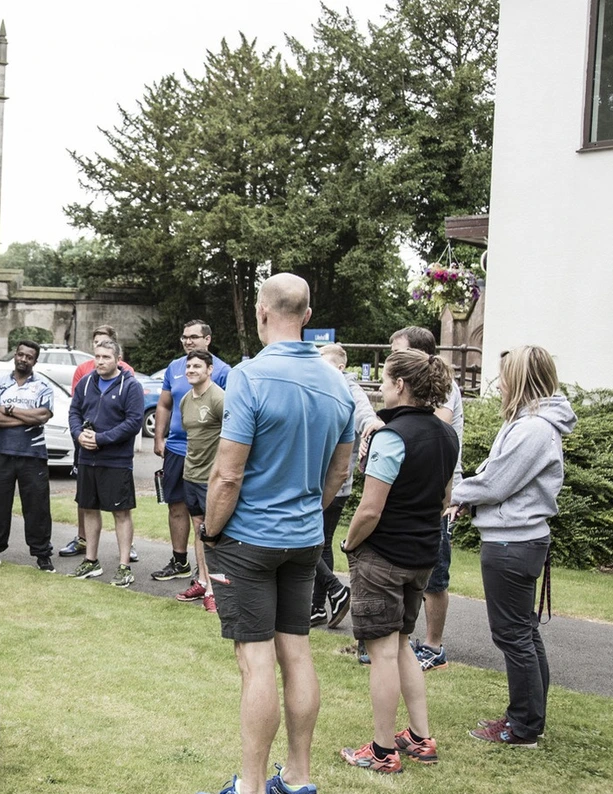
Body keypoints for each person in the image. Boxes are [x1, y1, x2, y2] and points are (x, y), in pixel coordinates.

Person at [198, 274, 354, 794]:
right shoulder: (338, 383)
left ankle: (252, 786)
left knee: (256, 660)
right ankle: (300, 778)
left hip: (249, 538)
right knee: (297, 651)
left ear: (263, 311)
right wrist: (309, 510)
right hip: (306, 537)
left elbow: (227, 473)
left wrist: (209, 531)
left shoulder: (248, 376)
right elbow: (338, 472)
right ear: (307, 316)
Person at [336, 349, 460, 774]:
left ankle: (383, 750)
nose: (382, 389)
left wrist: (349, 543)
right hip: (423, 553)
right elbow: (446, 499)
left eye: (385, 381)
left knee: (383, 651)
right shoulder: (447, 434)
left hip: (384, 555)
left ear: (400, 386)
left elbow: (370, 509)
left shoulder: (391, 436)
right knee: (403, 642)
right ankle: (421, 738)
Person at [453, 345, 574, 748]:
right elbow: (496, 477)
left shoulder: (533, 429)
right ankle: (527, 719)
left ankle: (523, 727)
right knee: (523, 634)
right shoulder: (529, 425)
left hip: (512, 543)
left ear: (520, 379)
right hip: (517, 540)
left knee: (514, 636)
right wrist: (468, 498)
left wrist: (452, 494)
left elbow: (496, 482)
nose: (499, 383)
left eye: (504, 376)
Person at [152, 320, 231, 583]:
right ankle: (179, 561)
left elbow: (230, 417)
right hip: (176, 448)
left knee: (210, 512)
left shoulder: (221, 370)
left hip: (208, 454)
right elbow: (164, 405)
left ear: (207, 339)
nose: (188, 342)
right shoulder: (175, 367)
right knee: (176, 505)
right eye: (184, 337)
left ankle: (208, 569)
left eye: (194, 337)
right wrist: (159, 437)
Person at [0, 340, 57, 572]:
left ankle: (42, 555)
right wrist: (24, 418)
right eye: (20, 354)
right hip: (2, 452)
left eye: (29, 357)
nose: (23, 359)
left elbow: (42, 415)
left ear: (35, 361)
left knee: (37, 506)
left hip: (33, 454)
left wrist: (10, 410)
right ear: (15, 356)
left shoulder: (43, 386)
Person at [66, 339, 143, 587]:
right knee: (89, 508)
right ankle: (91, 561)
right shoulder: (87, 382)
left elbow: (133, 422)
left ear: (118, 359)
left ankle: (124, 566)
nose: (100, 361)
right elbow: (74, 412)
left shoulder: (130, 386)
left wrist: (101, 439)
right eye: (97, 356)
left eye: (106, 357)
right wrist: (79, 434)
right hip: (87, 458)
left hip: (116, 461)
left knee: (120, 512)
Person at [311, 344, 374, 629]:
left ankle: (335, 591)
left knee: (305, 541)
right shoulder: (326, 386)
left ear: (338, 367)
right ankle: (317, 607)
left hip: (332, 484)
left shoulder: (347, 385)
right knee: (319, 540)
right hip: (331, 482)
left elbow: (364, 411)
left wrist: (372, 424)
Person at [173, 350, 225, 612]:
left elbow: (234, 437)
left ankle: (215, 591)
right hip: (190, 475)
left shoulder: (218, 398)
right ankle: (202, 581)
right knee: (198, 530)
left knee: (214, 534)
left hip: (212, 479)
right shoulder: (184, 400)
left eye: (197, 366)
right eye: (189, 366)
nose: (191, 370)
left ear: (209, 370)